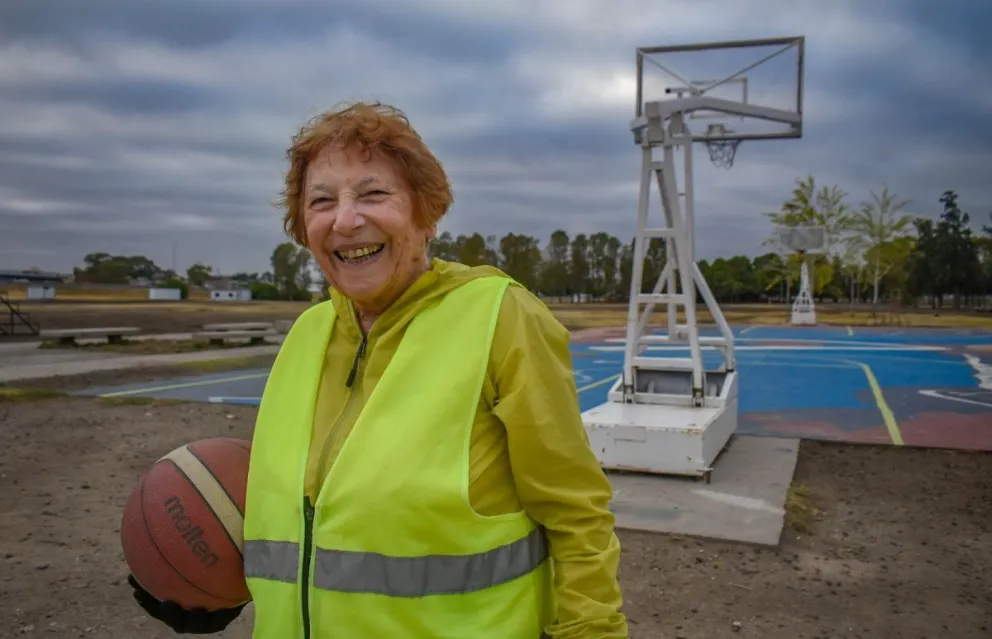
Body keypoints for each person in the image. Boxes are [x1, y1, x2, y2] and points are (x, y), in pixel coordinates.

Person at [128, 101, 629, 638]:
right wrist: (225, 578)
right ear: (304, 227)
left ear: (425, 210)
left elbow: (576, 515)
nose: (345, 219)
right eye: (321, 202)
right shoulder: (307, 335)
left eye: (373, 194)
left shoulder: (500, 318)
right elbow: (313, 520)